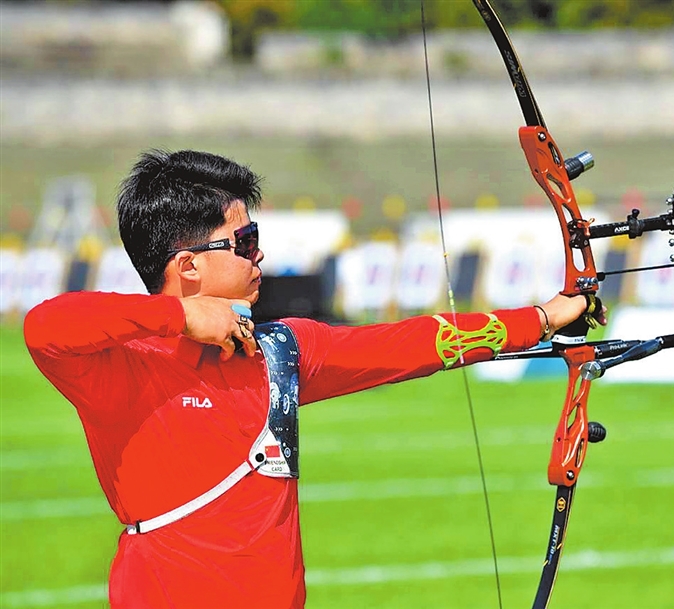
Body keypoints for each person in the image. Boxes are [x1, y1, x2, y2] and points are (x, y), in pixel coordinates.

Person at [24, 149, 605, 609]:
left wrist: (543, 318)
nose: (260, 256)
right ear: (188, 265)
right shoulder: (124, 365)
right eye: (244, 242)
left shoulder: (279, 351)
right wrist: (179, 316)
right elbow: (44, 327)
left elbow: (411, 343)